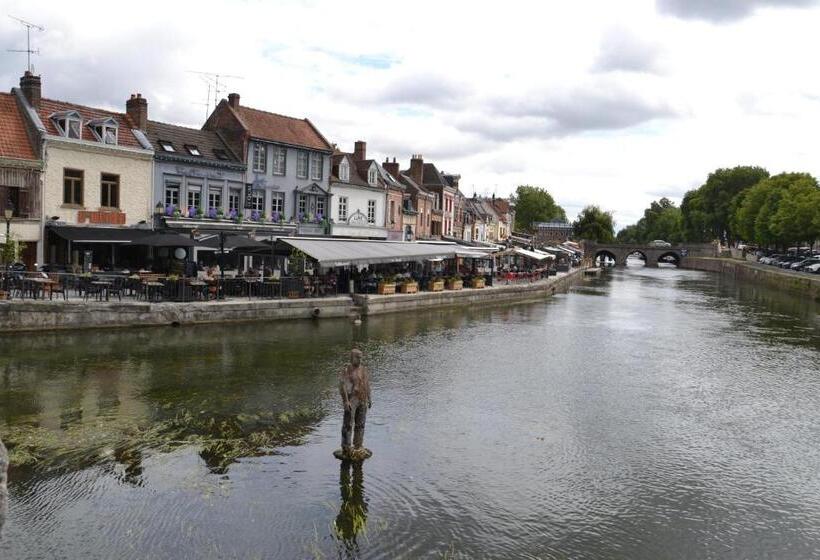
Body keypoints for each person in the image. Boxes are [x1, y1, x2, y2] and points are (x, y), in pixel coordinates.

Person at [339, 349, 372, 456]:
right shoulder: (347, 370)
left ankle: (358, 445)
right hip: (352, 399)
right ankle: (346, 447)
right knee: (348, 424)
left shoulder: (364, 369)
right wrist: (345, 401)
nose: (360, 359)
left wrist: (369, 398)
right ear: (352, 357)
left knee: (361, 424)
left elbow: (367, 384)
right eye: (357, 357)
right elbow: (342, 386)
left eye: (361, 357)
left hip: (362, 399)